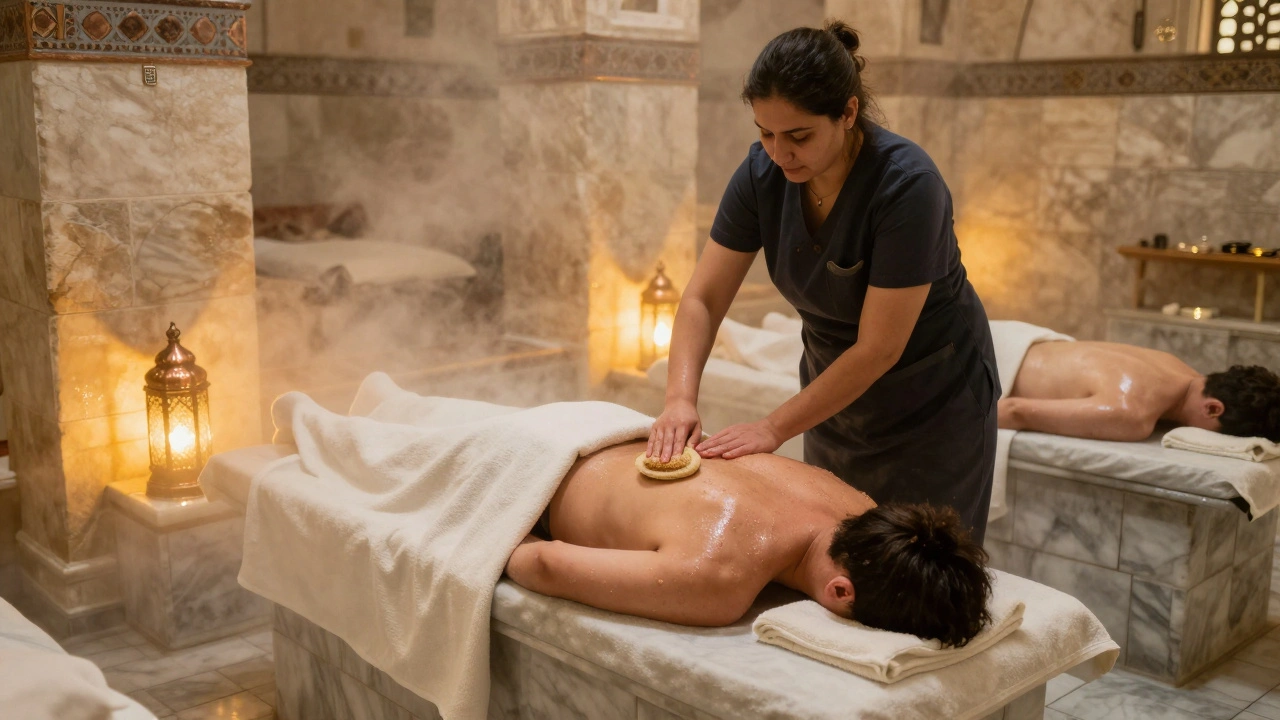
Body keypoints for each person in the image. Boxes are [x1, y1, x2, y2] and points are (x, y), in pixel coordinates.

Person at [648, 21, 999, 542]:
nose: (779, 153)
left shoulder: (907, 186)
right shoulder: (762, 174)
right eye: (765, 133)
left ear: (848, 113)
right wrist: (679, 398)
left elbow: (879, 348)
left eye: (799, 136)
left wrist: (772, 427)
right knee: (837, 553)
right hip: (834, 400)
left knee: (921, 568)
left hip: (932, 408)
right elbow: (703, 298)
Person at [505, 440, 992, 647]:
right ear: (840, 592)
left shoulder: (857, 503)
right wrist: (494, 517)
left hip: (606, 428)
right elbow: (542, 564)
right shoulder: (719, 579)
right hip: (530, 467)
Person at [999, 342, 1280, 442]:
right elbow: (1015, 411)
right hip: (991, 359)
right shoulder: (1131, 413)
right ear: (1213, 408)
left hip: (1018, 339)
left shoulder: (1175, 366)